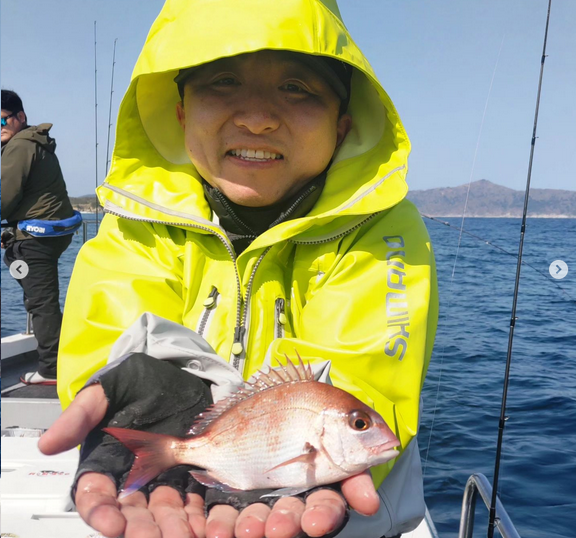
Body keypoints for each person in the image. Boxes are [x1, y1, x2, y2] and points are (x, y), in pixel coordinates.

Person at [39, 0, 439, 537]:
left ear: (342, 125)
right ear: (180, 112)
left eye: (297, 88)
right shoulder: (135, 224)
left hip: (340, 523)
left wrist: (347, 431)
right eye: (223, 80)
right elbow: (108, 337)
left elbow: (366, 371)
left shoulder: (385, 234)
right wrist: (132, 387)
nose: (256, 117)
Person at [1, 89, 82, 385]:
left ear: (20, 117)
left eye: (1, 121)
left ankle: (50, 370)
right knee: (44, 300)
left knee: (41, 303)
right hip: (48, 233)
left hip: (35, 237)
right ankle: (59, 359)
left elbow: (5, 197)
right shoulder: (36, 142)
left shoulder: (20, 146)